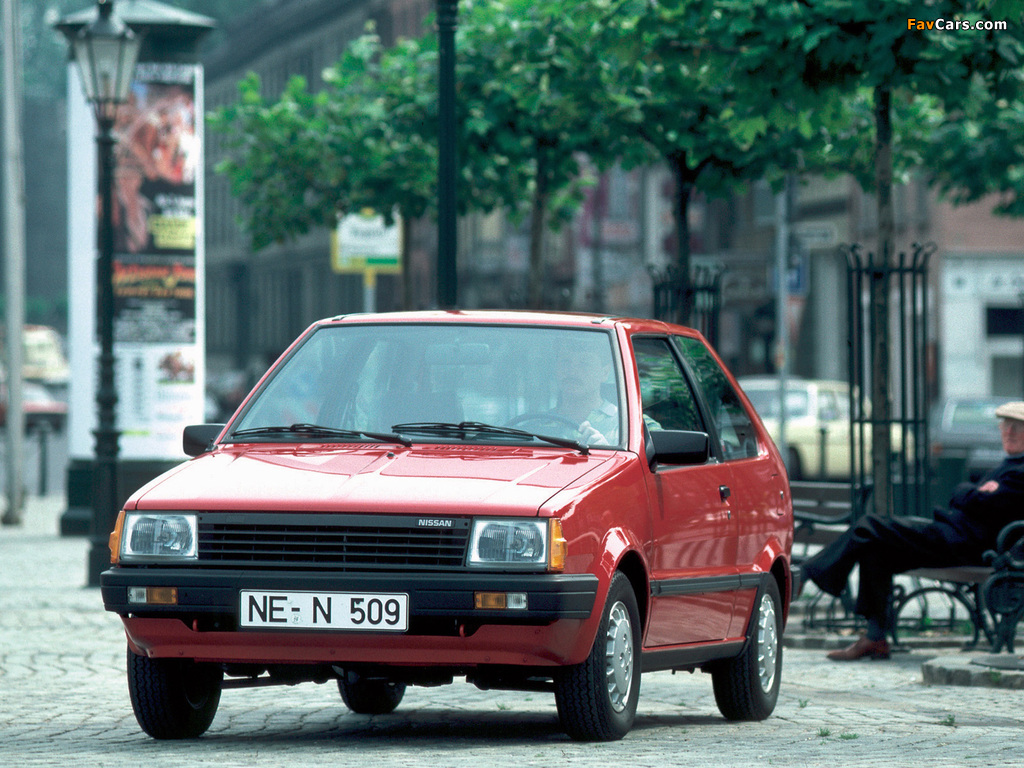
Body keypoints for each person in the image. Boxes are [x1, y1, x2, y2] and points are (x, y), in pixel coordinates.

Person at [801, 401, 1024, 661]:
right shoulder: (1008, 465)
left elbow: (978, 501)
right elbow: (965, 495)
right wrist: (972, 492)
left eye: (1017, 427)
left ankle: (809, 572)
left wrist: (970, 493)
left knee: (869, 525)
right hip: (955, 537)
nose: (1009, 432)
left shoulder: (1019, 471)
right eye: (1005, 426)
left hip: (970, 547)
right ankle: (875, 638)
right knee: (875, 548)